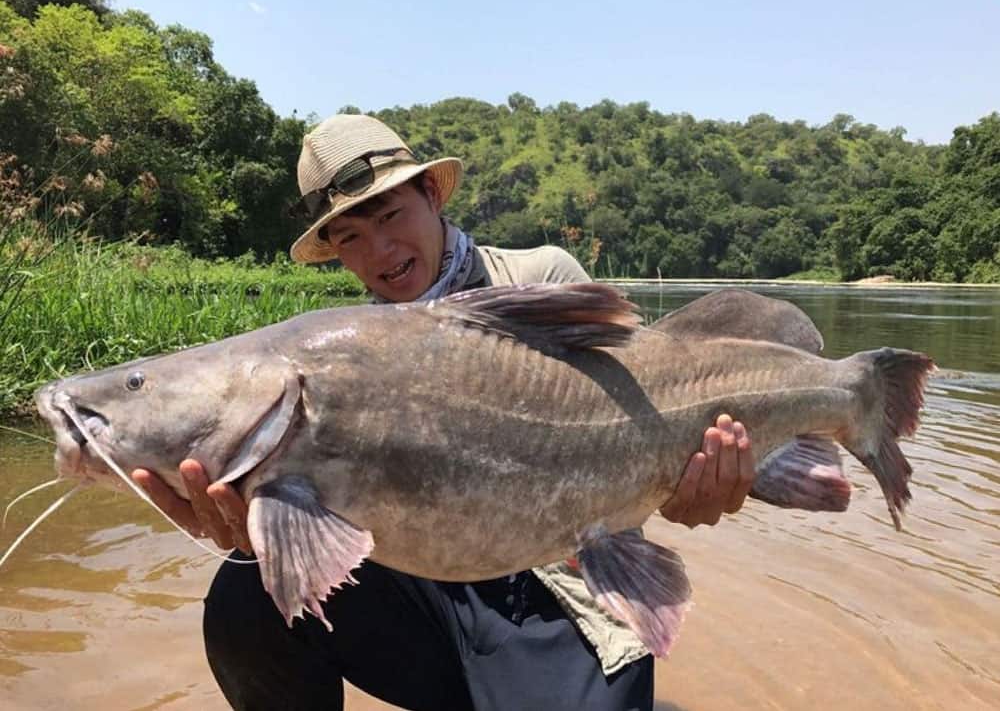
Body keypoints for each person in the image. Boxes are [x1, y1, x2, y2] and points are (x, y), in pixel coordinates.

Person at [132, 114, 755, 711]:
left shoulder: (541, 277)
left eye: (390, 215)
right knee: (247, 596)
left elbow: (640, 426)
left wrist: (688, 487)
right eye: (350, 236)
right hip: (417, 587)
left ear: (432, 193)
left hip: (552, 589)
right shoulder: (337, 352)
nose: (380, 250)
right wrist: (260, 530)